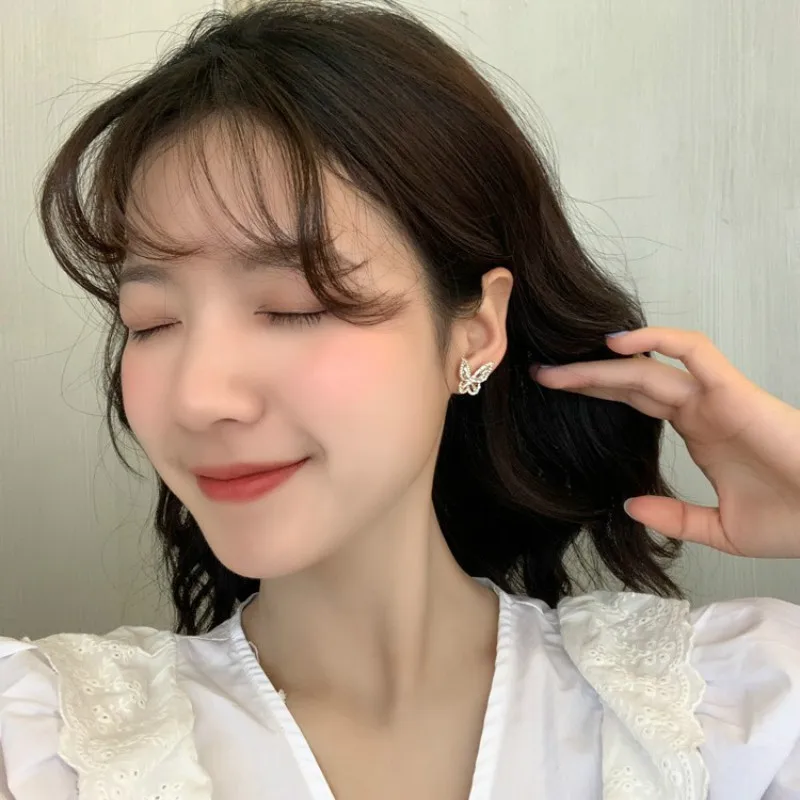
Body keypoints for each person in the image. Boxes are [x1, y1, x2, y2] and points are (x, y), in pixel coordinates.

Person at [1, 0, 799, 797]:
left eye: (295, 305)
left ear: (475, 333)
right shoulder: (44, 743)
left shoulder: (731, 711)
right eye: (151, 322)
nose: (199, 398)